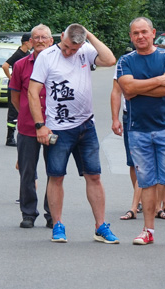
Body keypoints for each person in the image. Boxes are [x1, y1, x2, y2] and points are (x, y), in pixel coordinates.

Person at [29, 23, 118, 244]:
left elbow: (109, 60)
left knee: (94, 176)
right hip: (58, 127)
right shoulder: (47, 56)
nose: (69, 52)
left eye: (74, 49)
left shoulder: (85, 52)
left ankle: (100, 226)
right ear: (61, 37)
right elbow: (33, 91)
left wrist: (89, 36)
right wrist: (40, 125)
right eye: (67, 47)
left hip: (86, 126)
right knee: (56, 175)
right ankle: (57, 224)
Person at [117, 18, 165, 248]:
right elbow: (126, 88)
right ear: (131, 36)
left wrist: (138, 88)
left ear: (153, 33)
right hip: (137, 130)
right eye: (136, 33)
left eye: (144, 32)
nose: (140, 36)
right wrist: (157, 81)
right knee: (146, 182)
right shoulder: (125, 60)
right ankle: (148, 230)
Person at [9, 25, 54, 228]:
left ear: (51, 41)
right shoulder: (20, 65)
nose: (40, 40)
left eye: (44, 37)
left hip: (54, 126)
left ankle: (52, 213)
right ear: (30, 42)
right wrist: (28, 114)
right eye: (36, 37)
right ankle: (28, 213)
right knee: (27, 171)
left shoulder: (59, 63)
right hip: (27, 126)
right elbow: (16, 97)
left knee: (54, 171)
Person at [112, 65, 142, 221]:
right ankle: (140, 201)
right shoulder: (124, 63)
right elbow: (118, 91)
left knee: (146, 162)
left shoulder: (159, 59)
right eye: (135, 37)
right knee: (133, 162)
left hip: (149, 114)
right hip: (129, 115)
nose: (140, 38)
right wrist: (115, 118)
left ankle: (158, 204)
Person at [2, 33, 31, 146]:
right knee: (13, 110)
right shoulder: (18, 53)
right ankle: (9, 137)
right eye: (31, 41)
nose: (32, 44)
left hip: (22, 85)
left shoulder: (27, 53)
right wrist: (11, 77)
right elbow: (5, 65)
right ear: (26, 42)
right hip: (15, 86)